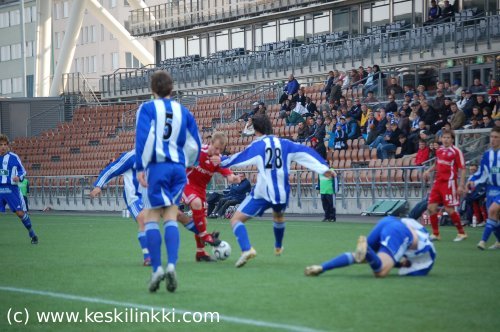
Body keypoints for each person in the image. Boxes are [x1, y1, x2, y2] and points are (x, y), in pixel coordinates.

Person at [220, 114, 333, 268]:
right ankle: (278, 246)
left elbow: (237, 159)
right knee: (278, 216)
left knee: (235, 220)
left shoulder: (257, 146)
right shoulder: (285, 143)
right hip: (281, 193)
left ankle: (247, 249)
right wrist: (323, 168)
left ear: (256, 130)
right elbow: (306, 153)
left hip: (262, 193)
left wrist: (218, 162)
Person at [135, 70, 201, 293]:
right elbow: (195, 145)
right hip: (178, 169)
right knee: (171, 214)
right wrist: (188, 164)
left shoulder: (147, 108)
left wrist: (140, 168)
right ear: (172, 89)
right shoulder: (184, 111)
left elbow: (144, 138)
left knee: (152, 215)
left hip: (159, 166)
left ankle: (157, 270)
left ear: (152, 90)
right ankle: (171, 265)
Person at [305, 216, 436, 277]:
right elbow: (404, 265)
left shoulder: (424, 235)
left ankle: (322, 267)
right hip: (399, 232)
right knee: (381, 271)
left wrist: (398, 264)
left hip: (388, 221)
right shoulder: (425, 258)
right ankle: (366, 249)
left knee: (361, 257)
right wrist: (400, 264)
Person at [180, 132, 242, 262]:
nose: (217, 152)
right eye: (216, 148)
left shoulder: (218, 161)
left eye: (221, 149)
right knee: (196, 204)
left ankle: (200, 253)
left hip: (201, 190)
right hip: (187, 184)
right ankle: (206, 237)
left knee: (203, 222)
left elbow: (229, 176)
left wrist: (235, 178)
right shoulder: (198, 151)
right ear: (211, 143)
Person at [90, 150, 151, 266]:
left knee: (176, 216)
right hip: (134, 196)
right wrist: (99, 185)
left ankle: (197, 234)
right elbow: (112, 169)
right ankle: (148, 257)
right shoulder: (131, 156)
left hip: (151, 196)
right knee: (144, 220)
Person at [423, 129, 467, 242]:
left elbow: (462, 168)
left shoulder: (456, 151)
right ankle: (436, 233)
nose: (446, 139)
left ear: (452, 139)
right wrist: (429, 170)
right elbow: (437, 163)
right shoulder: (439, 150)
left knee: (449, 209)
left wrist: (461, 185)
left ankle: (461, 233)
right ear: (441, 139)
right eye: (444, 137)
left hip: (449, 183)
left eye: (448, 137)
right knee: (431, 208)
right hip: (438, 183)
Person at [0, 134, 38, 244]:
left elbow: (23, 171)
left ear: (8, 146)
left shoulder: (13, 157)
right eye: (0, 144)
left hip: (11, 189)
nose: (3, 147)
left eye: (5, 144)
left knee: (20, 213)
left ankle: (32, 234)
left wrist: (19, 177)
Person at [468, 126, 500, 250]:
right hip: (491, 189)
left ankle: (483, 241)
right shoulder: (487, 155)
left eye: (496, 137)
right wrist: (471, 181)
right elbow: (481, 173)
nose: (493, 140)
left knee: (492, 211)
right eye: (492, 137)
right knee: (495, 217)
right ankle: (498, 241)